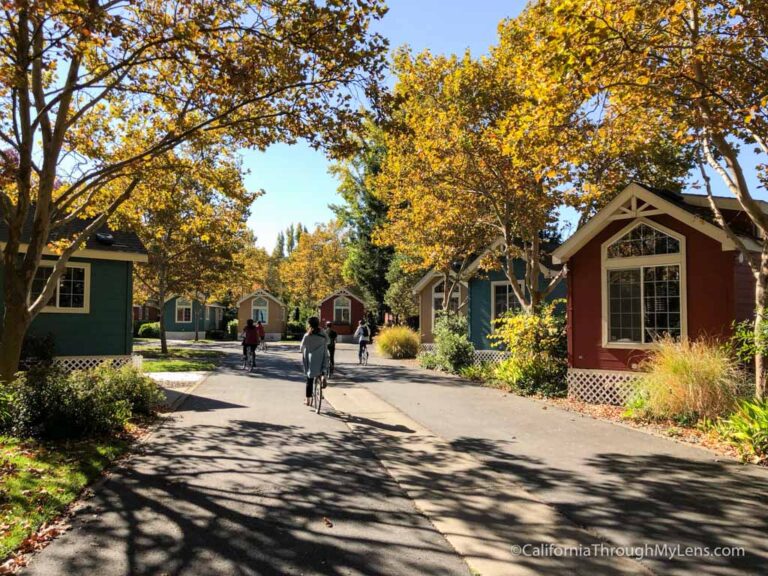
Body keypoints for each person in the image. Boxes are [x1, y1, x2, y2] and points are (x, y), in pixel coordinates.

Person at [300, 316, 329, 405]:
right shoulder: (322, 332)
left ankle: (308, 400)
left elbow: (301, 347)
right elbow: (328, 341)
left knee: (309, 379)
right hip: (322, 358)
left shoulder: (307, 335)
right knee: (321, 371)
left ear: (309, 324)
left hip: (311, 360)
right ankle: (323, 376)